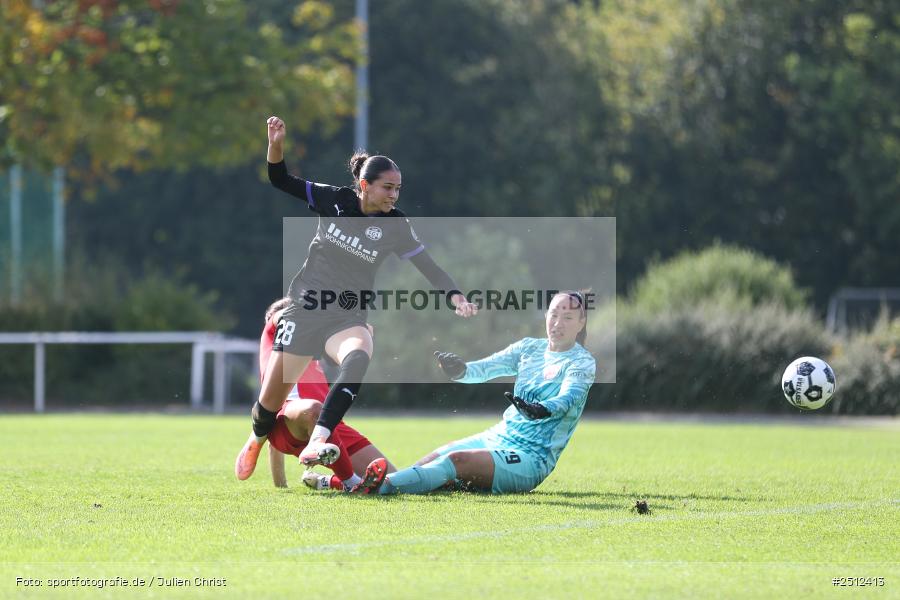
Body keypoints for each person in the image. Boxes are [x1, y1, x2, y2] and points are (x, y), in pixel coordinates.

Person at [235, 118, 477, 481]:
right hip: (305, 310)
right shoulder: (334, 199)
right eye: (387, 188)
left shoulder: (395, 225)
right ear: (364, 185)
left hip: (346, 315)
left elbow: (429, 267)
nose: (394, 195)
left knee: (359, 354)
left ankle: (319, 439)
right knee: (267, 408)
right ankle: (254, 439)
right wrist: (276, 145)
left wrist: (456, 296)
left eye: (398, 189)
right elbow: (279, 179)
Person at [351, 291, 596, 495]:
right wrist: (460, 370)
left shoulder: (582, 362)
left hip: (530, 458)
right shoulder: (529, 348)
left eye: (567, 317)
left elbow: (568, 398)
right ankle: (353, 483)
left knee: (456, 461)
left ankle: (378, 488)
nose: (557, 323)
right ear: (546, 316)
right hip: (497, 437)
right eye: (554, 314)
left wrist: (543, 408)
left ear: (581, 323)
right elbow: (485, 368)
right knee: (435, 458)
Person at [253, 297, 396, 491]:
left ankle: (325, 482)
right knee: (313, 408)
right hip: (290, 418)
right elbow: (285, 316)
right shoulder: (275, 329)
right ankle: (350, 483)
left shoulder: (310, 351)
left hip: (328, 424)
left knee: (392, 482)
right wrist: (280, 487)